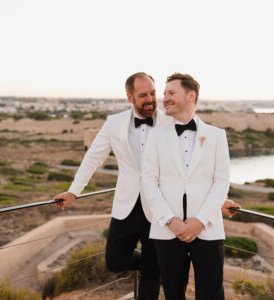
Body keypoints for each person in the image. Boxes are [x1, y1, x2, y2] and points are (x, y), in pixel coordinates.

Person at [54, 72, 238, 300]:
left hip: (161, 209)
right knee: (116, 260)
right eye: (144, 95)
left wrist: (218, 200)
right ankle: (154, 262)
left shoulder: (171, 119)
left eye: (153, 93)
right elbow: (93, 158)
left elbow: (194, 168)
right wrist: (74, 191)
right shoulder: (114, 123)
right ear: (130, 97)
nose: (152, 99)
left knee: (156, 275)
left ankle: (154, 266)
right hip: (128, 204)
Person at [142, 73, 230, 300]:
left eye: (171, 93)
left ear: (191, 96)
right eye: (164, 94)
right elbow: (149, 181)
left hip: (208, 228)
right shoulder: (155, 136)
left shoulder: (217, 136)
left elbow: (221, 182)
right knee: (172, 293)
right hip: (168, 230)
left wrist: (200, 221)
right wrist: (171, 220)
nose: (165, 98)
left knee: (211, 294)